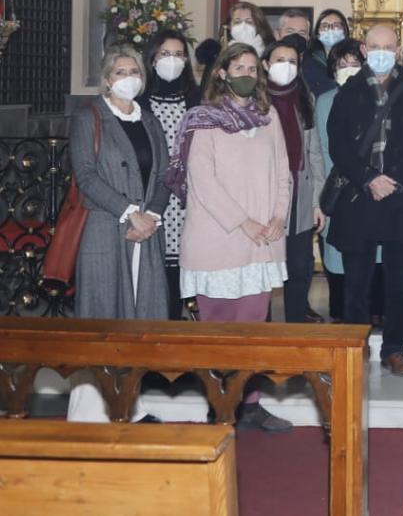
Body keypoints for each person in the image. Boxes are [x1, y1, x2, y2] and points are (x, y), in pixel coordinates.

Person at [169, 41, 292, 433]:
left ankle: (250, 403)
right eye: (237, 67)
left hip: (262, 241)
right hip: (218, 238)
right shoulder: (202, 118)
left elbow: (283, 171)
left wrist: (277, 214)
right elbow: (202, 181)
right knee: (217, 329)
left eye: (252, 68)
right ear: (221, 72)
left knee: (253, 327)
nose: (245, 74)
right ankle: (218, 404)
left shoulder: (267, 115)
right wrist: (243, 222)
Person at [68, 46, 170, 422]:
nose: (129, 77)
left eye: (135, 71)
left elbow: (165, 173)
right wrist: (130, 214)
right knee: (102, 319)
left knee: (138, 321)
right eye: (121, 71)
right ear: (107, 78)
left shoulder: (150, 119)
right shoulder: (89, 117)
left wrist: (151, 215)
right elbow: (86, 176)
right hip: (105, 228)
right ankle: (90, 411)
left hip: (146, 232)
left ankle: (131, 404)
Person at [327, 24, 403, 377]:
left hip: (401, 197)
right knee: (356, 281)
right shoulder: (348, 91)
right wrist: (370, 178)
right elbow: (338, 145)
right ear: (363, 48)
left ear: (399, 49)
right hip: (360, 196)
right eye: (375, 46)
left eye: (389, 46)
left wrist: (394, 180)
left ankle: (394, 349)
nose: (382, 52)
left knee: (397, 280)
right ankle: (356, 347)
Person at [263, 35, 326, 324]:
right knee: (262, 270)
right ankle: (259, 335)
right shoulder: (255, 99)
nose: (285, 67)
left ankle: (297, 329)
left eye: (292, 62)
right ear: (266, 64)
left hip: (300, 193)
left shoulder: (305, 97)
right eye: (279, 61)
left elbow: (314, 153)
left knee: (299, 268)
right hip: (263, 198)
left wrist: (317, 201)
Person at [138, 30, 200, 320]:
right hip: (150, 199)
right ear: (151, 59)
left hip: (188, 201)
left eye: (178, 54)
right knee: (153, 274)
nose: (172, 61)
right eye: (164, 54)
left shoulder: (197, 99)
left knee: (179, 277)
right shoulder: (139, 101)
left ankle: (176, 341)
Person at [315, 39, 366, 321]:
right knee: (337, 257)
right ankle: (340, 316)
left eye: (354, 64)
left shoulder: (377, 96)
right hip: (338, 188)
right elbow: (322, 149)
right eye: (341, 64)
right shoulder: (325, 101)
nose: (348, 69)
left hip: (370, 188)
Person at [275, 8, 333, 96]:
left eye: (302, 33)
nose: (295, 36)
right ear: (277, 35)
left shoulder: (320, 70)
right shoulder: (265, 67)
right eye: (290, 31)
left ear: (308, 38)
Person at [309, 9, 353, 98]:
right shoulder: (309, 59)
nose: (330, 30)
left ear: (345, 30)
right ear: (317, 32)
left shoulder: (354, 58)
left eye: (336, 26)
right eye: (325, 26)